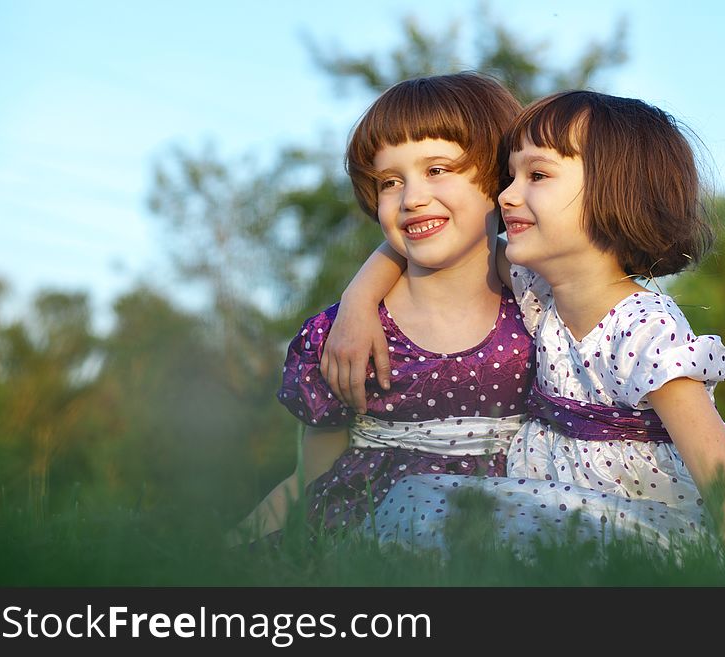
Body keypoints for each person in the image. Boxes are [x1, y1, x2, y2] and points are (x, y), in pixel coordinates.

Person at [325, 90, 725, 551]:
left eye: (537, 175)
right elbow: (436, 240)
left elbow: (720, 474)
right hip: (568, 516)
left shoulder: (643, 327)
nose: (506, 195)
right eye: (509, 176)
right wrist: (358, 300)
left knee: (425, 503)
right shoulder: (541, 296)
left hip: (648, 528)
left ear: (615, 192)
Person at [228, 72, 535, 545]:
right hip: (368, 540)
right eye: (391, 181)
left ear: (498, 179)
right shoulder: (350, 333)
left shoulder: (538, 310)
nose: (412, 198)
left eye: (437, 170)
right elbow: (308, 478)